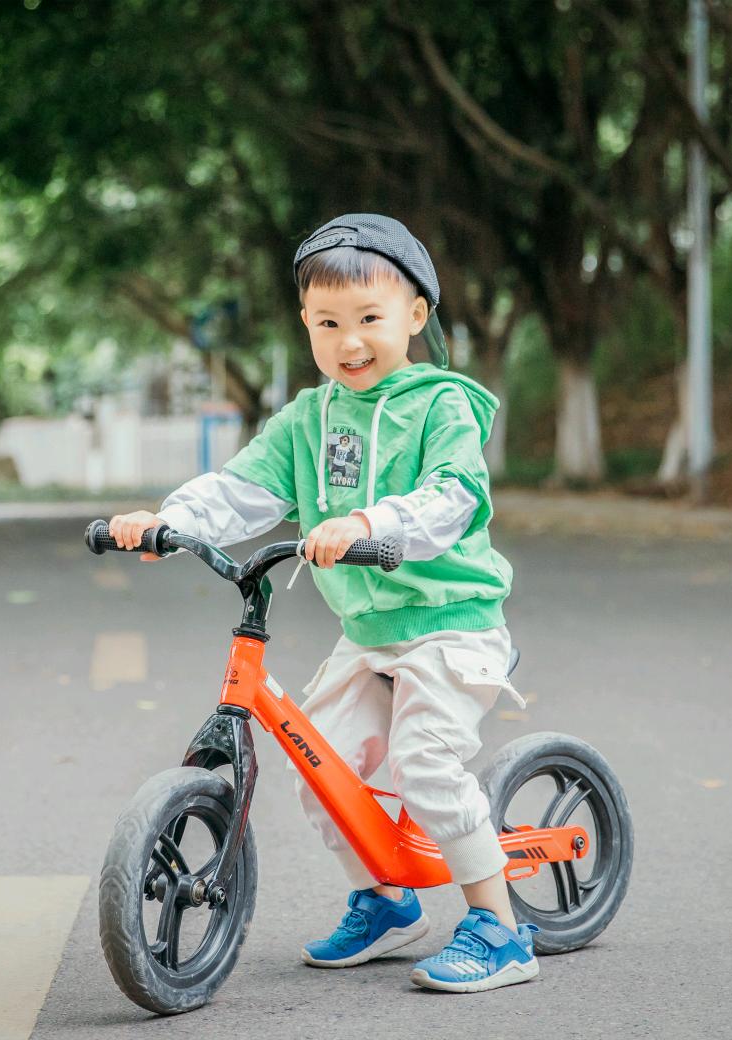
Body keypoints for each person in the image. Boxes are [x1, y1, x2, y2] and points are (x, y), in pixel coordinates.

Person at [108, 213, 538, 992]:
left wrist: (372, 522)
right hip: (370, 632)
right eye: (329, 323)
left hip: (451, 626)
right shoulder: (308, 419)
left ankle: (500, 930)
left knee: (424, 762)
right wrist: (166, 521)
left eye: (371, 319)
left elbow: (452, 499)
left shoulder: (443, 407)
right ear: (306, 322)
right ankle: (387, 900)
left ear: (414, 315)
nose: (350, 342)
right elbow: (242, 489)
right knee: (319, 767)